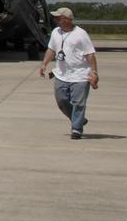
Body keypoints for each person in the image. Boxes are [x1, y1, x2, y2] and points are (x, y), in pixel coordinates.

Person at [38, 7, 98, 139]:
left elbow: (90, 54)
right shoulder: (55, 32)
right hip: (61, 74)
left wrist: (94, 72)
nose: (56, 20)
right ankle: (80, 119)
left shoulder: (81, 34)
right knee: (62, 101)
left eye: (58, 18)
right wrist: (44, 64)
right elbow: (51, 49)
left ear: (67, 19)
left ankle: (76, 129)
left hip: (80, 75)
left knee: (78, 103)